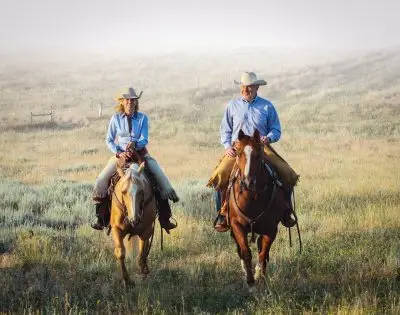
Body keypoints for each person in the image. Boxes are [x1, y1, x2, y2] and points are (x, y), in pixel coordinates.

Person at [207, 72, 299, 232]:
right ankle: (222, 214)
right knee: (218, 176)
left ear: (257, 87)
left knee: (287, 173)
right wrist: (228, 146)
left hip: (260, 148)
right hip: (238, 149)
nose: (246, 89)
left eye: (250, 86)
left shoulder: (267, 106)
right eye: (244, 86)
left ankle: (286, 211)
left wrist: (268, 138)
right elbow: (225, 130)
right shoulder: (232, 106)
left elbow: (276, 129)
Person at [91, 86, 179, 232]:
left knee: (159, 177)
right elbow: (109, 140)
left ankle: (165, 217)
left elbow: (144, 138)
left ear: (136, 103)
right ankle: (102, 218)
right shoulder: (116, 118)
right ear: (123, 102)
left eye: (133, 100)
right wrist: (118, 152)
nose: (130, 103)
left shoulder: (143, 118)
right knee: (101, 180)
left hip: (140, 155)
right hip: (121, 156)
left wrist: (136, 144)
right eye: (128, 100)